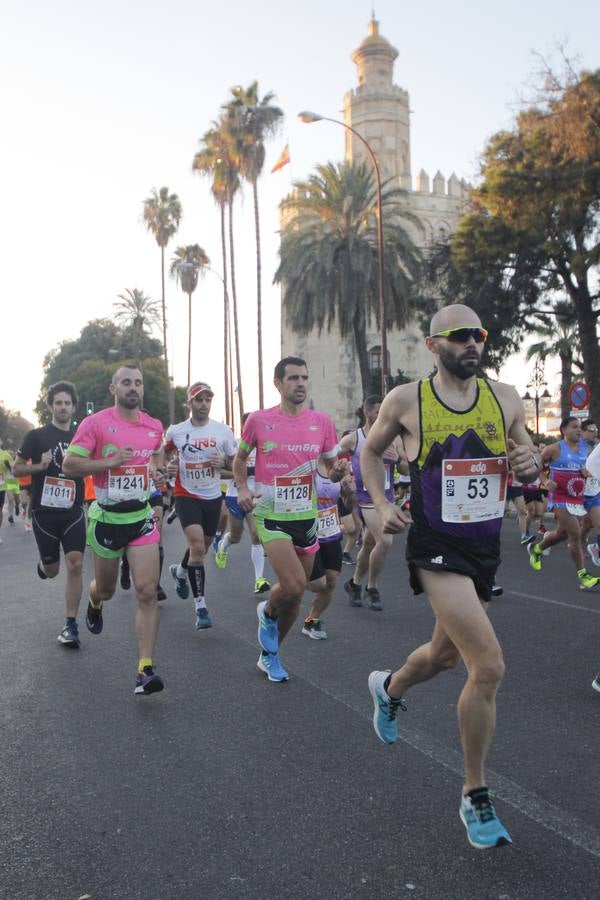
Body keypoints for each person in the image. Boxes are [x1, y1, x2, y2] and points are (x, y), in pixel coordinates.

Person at [361, 304, 541, 850]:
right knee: (486, 665)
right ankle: (475, 794)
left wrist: (529, 460)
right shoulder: (406, 400)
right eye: (460, 337)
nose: (472, 345)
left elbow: (523, 451)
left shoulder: (505, 397)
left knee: (442, 657)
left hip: (484, 549)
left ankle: (388, 688)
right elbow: (370, 454)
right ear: (433, 344)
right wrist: (380, 501)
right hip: (435, 547)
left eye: (478, 336)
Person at [234, 356, 341, 682]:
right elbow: (239, 460)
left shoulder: (322, 422)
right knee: (293, 584)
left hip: (306, 516)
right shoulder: (258, 420)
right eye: (293, 378)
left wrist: (340, 473)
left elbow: (330, 468)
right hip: (270, 514)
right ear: (278, 384)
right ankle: (267, 612)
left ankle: (270, 656)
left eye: (304, 377)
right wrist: (241, 487)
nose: (301, 383)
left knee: (296, 596)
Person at [63, 364, 166, 695]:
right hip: (107, 520)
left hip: (141, 518)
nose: (133, 387)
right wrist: (108, 463)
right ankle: (95, 599)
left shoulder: (153, 426)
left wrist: (159, 473)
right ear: (113, 389)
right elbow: (70, 464)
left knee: (147, 591)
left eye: (138, 382)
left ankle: (144, 669)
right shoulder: (96, 424)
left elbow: (154, 459)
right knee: (106, 589)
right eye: (126, 382)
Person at [12, 381, 86, 647]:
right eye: (58, 403)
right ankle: (44, 566)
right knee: (53, 571)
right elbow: (17, 470)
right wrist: (39, 467)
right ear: (51, 407)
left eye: (67, 403)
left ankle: (70, 625)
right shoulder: (37, 436)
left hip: (73, 511)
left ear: (73, 407)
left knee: (76, 564)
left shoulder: (81, 436)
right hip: (44, 513)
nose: (63, 407)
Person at [164, 381, 236, 629]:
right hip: (186, 495)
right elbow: (163, 455)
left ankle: (181, 572)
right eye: (199, 399)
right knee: (196, 547)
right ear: (190, 403)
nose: (204, 404)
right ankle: (201, 608)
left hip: (213, 497)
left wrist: (222, 465)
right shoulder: (176, 431)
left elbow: (236, 468)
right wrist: (169, 466)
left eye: (207, 399)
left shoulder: (223, 432)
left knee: (201, 549)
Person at [340, 395, 404, 611]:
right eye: (378, 412)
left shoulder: (394, 439)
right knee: (385, 542)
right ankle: (372, 588)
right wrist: (342, 475)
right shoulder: (354, 439)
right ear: (367, 413)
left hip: (388, 499)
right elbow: (330, 458)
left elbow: (405, 470)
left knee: (369, 544)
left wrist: (398, 459)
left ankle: (354, 584)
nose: (381, 416)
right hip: (366, 500)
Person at [527, 417, 600, 589]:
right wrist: (544, 481)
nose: (578, 430)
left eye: (579, 428)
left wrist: (584, 471)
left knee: (561, 534)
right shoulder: (554, 449)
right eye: (574, 427)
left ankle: (537, 549)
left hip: (579, 497)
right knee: (574, 533)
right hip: (560, 497)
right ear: (563, 430)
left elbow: (584, 466)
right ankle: (583, 576)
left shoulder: (585, 448)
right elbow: (536, 465)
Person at [215, 413, 271, 595]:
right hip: (235, 495)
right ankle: (224, 545)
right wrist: (240, 475)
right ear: (243, 426)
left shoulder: (266, 447)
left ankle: (259, 580)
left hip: (256, 496)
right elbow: (219, 473)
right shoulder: (234, 446)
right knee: (236, 536)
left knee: (256, 535)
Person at [301, 460, 354, 639]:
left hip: (330, 534)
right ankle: (281, 596)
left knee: (330, 582)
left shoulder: (338, 466)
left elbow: (346, 502)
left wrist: (349, 492)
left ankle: (311, 621)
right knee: (316, 584)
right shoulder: (306, 463)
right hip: (308, 533)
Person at [0, 438, 15, 544]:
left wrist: (8, 466)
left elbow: (13, 470)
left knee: (13, 499)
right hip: (6, 482)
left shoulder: (5, 455)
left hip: (5, 483)